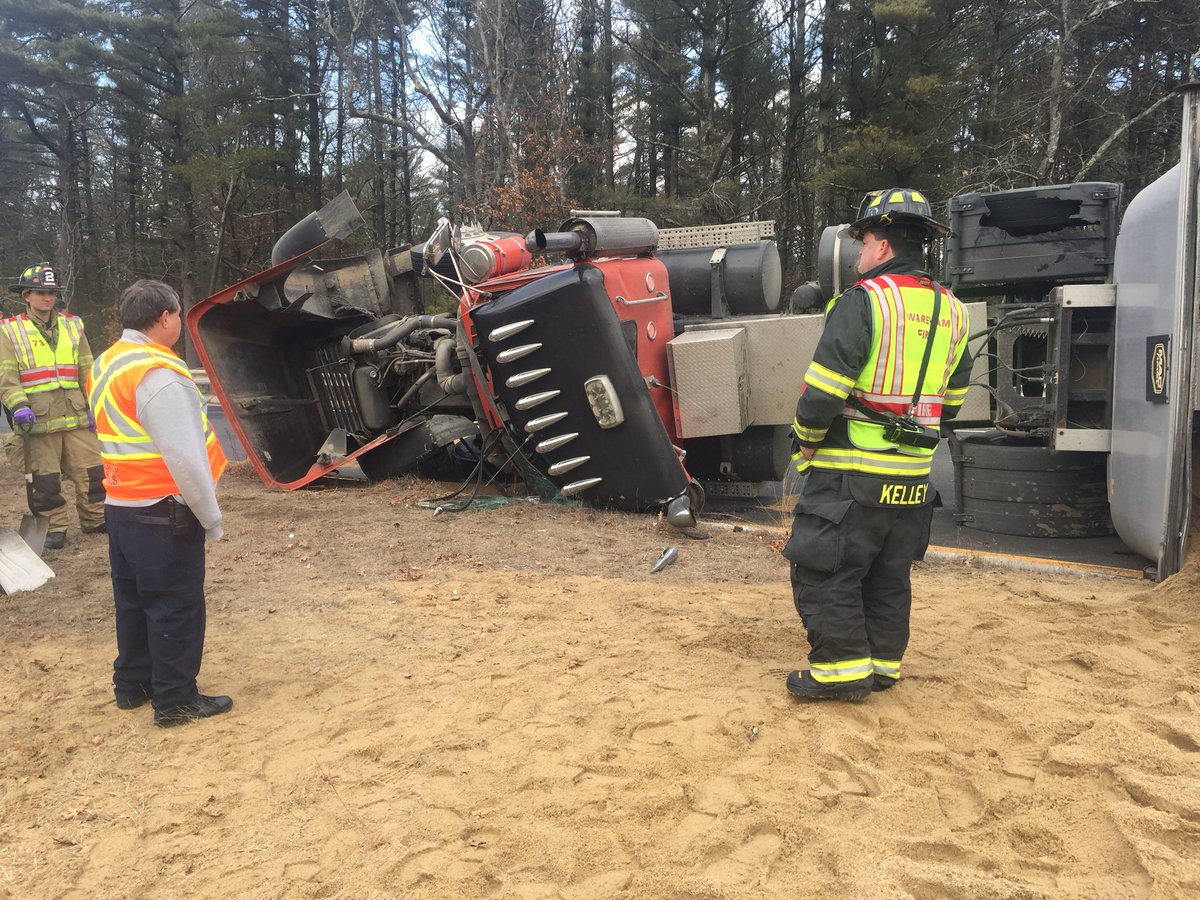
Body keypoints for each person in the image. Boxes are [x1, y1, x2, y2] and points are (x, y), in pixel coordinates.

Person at [783, 188, 972, 702]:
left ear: (883, 246)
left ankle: (840, 673)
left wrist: (805, 442)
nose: (859, 254)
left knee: (825, 569)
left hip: (851, 474)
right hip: (913, 480)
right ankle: (882, 666)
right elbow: (953, 400)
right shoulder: (954, 311)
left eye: (863, 243)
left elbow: (823, 391)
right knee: (888, 574)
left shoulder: (865, 300)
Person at [88, 279, 232, 727]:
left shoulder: (107, 362)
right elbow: (185, 456)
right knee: (175, 605)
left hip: (121, 505)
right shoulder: (159, 373)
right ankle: (175, 699)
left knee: (133, 601)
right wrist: (210, 517)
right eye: (179, 315)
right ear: (165, 316)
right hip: (163, 508)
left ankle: (133, 684)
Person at [0, 262, 105, 549]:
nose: (48, 298)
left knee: (93, 471)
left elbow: (87, 370)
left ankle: (96, 518)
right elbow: (6, 377)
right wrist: (18, 406)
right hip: (38, 418)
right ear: (26, 296)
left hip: (76, 415)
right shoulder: (10, 331)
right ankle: (53, 527)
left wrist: (94, 405)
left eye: (51, 292)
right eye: (40, 292)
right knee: (45, 479)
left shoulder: (74, 325)